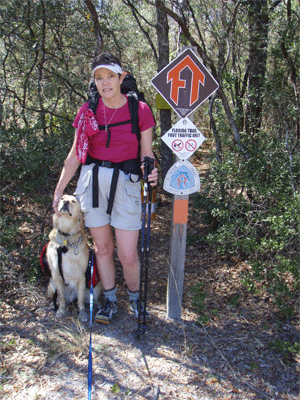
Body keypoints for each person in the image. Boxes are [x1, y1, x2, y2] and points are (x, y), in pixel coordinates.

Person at [52, 52, 158, 324]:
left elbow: (147, 152)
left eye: (110, 76)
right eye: (99, 78)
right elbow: (76, 154)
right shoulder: (88, 111)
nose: (105, 83)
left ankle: (135, 298)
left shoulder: (140, 110)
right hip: (93, 181)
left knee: (127, 252)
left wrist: (151, 170)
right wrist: (59, 188)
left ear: (121, 77)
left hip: (127, 182)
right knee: (102, 248)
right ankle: (110, 300)